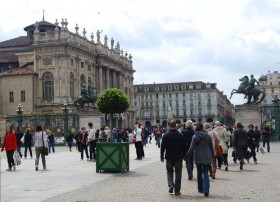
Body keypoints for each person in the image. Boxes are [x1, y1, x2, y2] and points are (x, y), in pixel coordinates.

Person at [185, 122, 215, 197]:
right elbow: (211, 148)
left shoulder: (195, 137)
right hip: (207, 156)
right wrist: (213, 157)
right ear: (203, 128)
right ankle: (206, 190)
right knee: (205, 172)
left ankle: (200, 188)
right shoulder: (207, 136)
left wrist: (187, 156)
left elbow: (191, 149)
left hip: (198, 156)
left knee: (199, 172)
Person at [160, 120, 186, 196]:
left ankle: (171, 183)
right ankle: (177, 191)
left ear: (169, 126)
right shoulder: (180, 135)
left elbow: (162, 147)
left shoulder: (166, 135)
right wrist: (185, 155)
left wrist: (161, 156)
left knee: (169, 171)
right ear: (176, 126)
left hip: (169, 157)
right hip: (178, 157)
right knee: (178, 173)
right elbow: (184, 147)